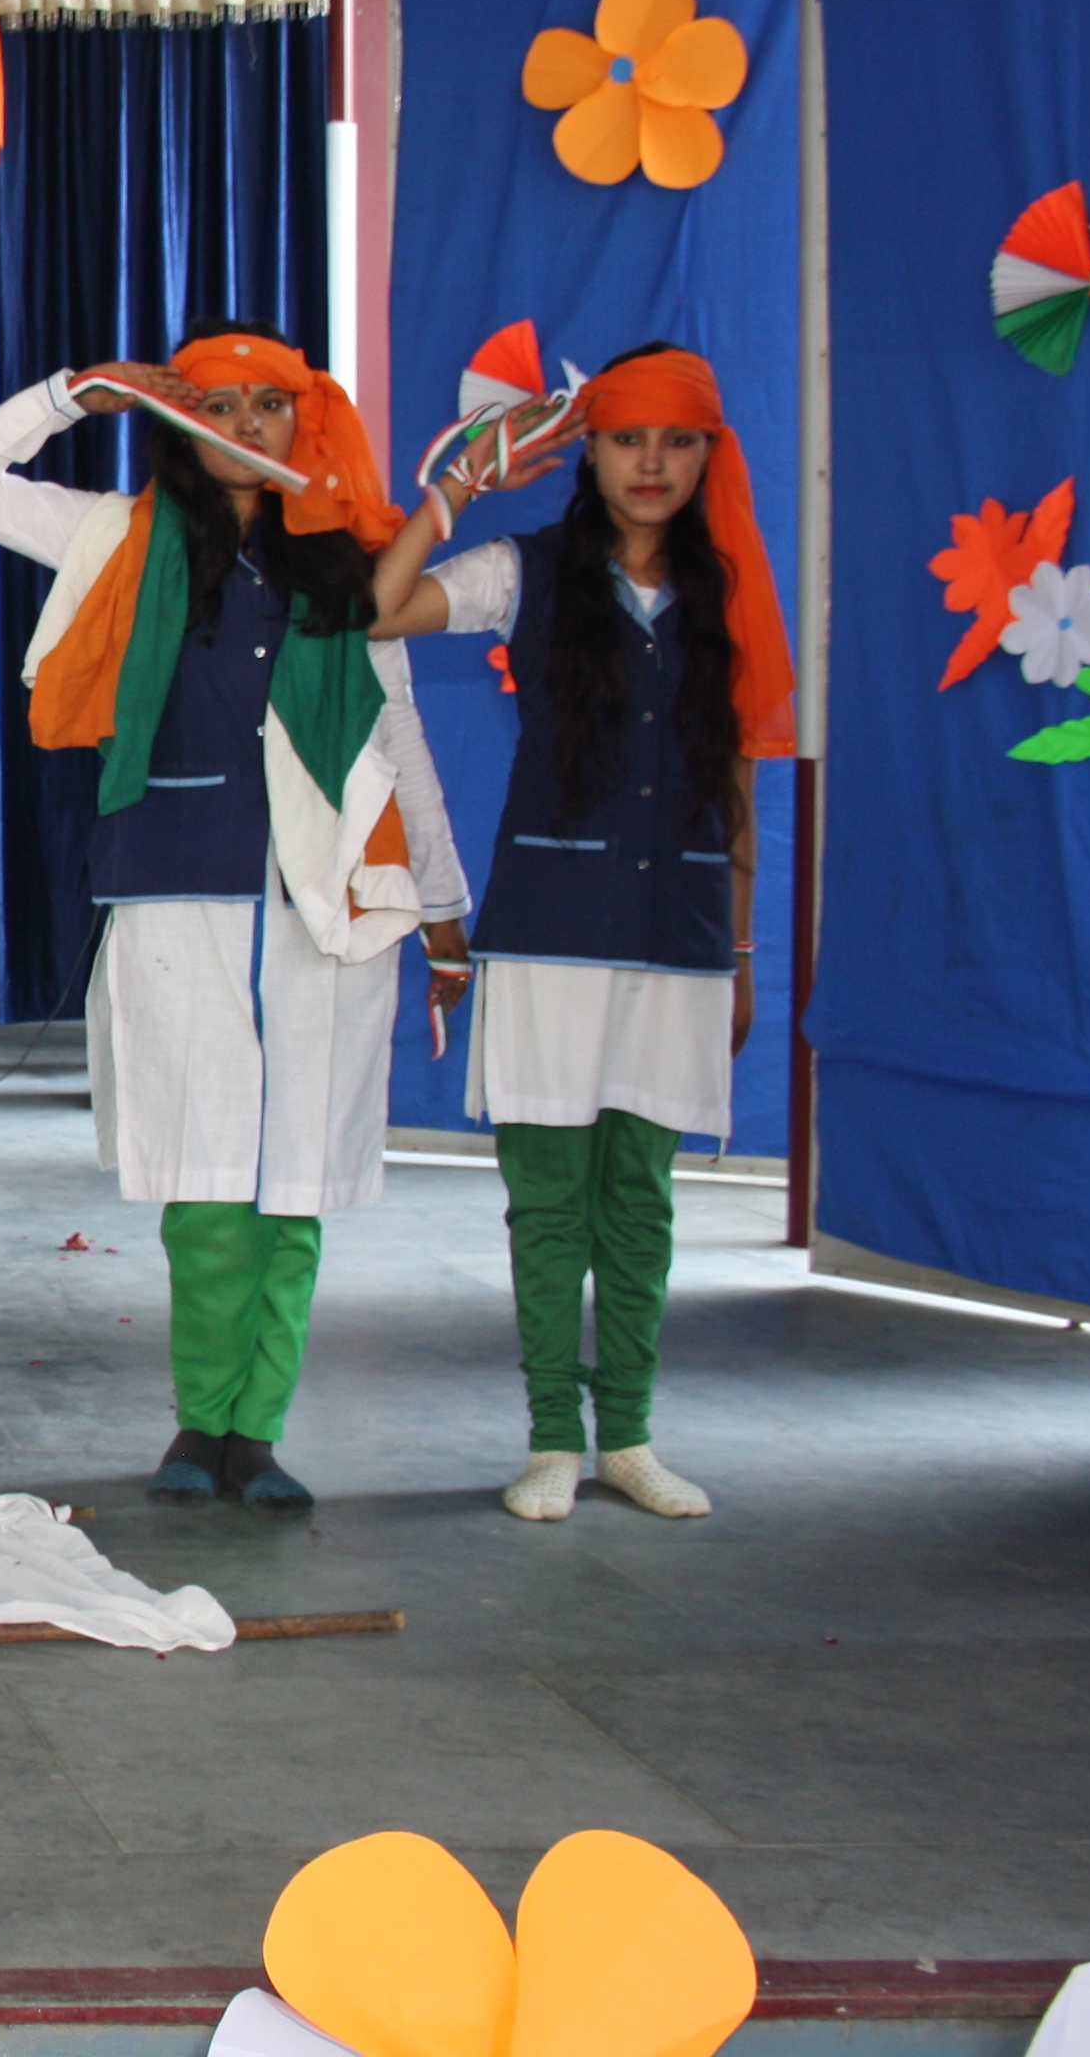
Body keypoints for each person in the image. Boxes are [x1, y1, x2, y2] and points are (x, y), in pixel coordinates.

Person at [0, 329, 470, 1515]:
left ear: (303, 420)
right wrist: (72, 397)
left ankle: (257, 1434)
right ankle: (199, 1422)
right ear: (177, 419)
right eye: (220, 405)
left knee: (297, 1185)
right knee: (209, 1184)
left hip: (328, 906)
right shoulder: (115, 536)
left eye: (271, 403)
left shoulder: (344, 562)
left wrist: (441, 905)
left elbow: (397, 733)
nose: (250, 425)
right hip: (178, 894)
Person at [368, 342, 790, 1524]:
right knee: (549, 1196)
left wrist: (741, 950)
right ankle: (554, 1435)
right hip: (550, 931)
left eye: (677, 441)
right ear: (589, 453)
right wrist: (460, 486)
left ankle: (631, 1439)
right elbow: (379, 609)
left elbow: (740, 784)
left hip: (681, 933)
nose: (652, 464)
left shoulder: (731, 590)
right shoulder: (528, 570)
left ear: (708, 456)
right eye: (627, 439)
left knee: (641, 1196)